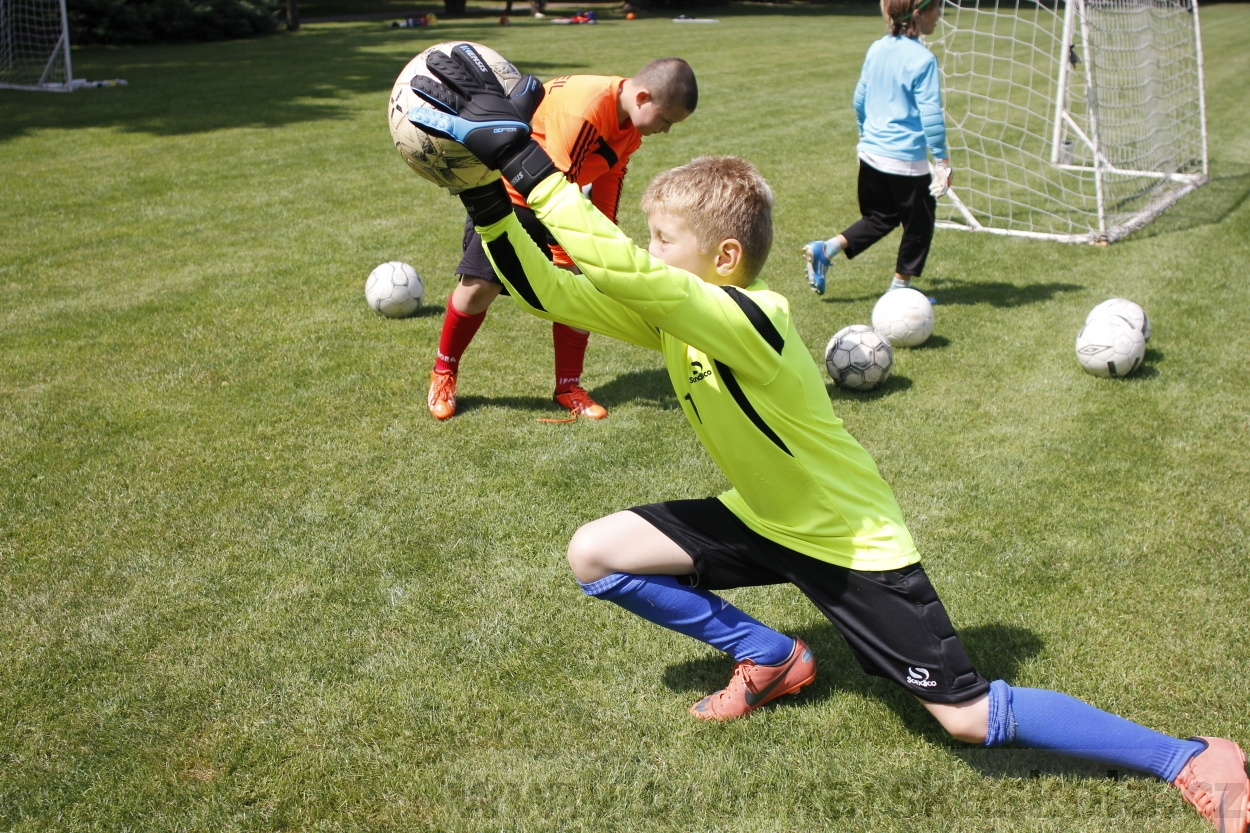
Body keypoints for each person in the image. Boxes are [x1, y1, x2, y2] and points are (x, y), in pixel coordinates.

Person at [407, 45, 1250, 833]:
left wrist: (525, 162)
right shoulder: (675, 316)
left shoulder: (752, 317)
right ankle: (771, 656)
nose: (647, 250)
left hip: (850, 543)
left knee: (965, 716)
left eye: (664, 240)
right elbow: (551, 290)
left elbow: (619, 268)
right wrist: (486, 199)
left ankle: (1189, 754)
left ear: (724, 257)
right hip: (766, 515)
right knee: (594, 554)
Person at [425, 57, 697, 421]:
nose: (666, 130)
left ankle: (568, 386)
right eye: (666, 120)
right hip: (512, 197)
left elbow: (611, 175)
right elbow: (554, 185)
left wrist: (603, 234)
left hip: (557, 200)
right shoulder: (585, 112)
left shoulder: (629, 123)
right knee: (478, 288)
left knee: (583, 292)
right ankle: (443, 372)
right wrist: (568, 253)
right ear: (643, 97)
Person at [802, 0, 953, 299]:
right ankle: (899, 292)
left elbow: (859, 98)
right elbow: (931, 114)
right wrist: (942, 161)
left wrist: (864, 132)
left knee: (880, 217)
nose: (940, 14)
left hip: (871, 154)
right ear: (918, 14)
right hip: (904, 160)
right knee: (919, 225)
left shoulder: (877, 48)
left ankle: (826, 249)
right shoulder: (923, 59)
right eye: (936, 7)